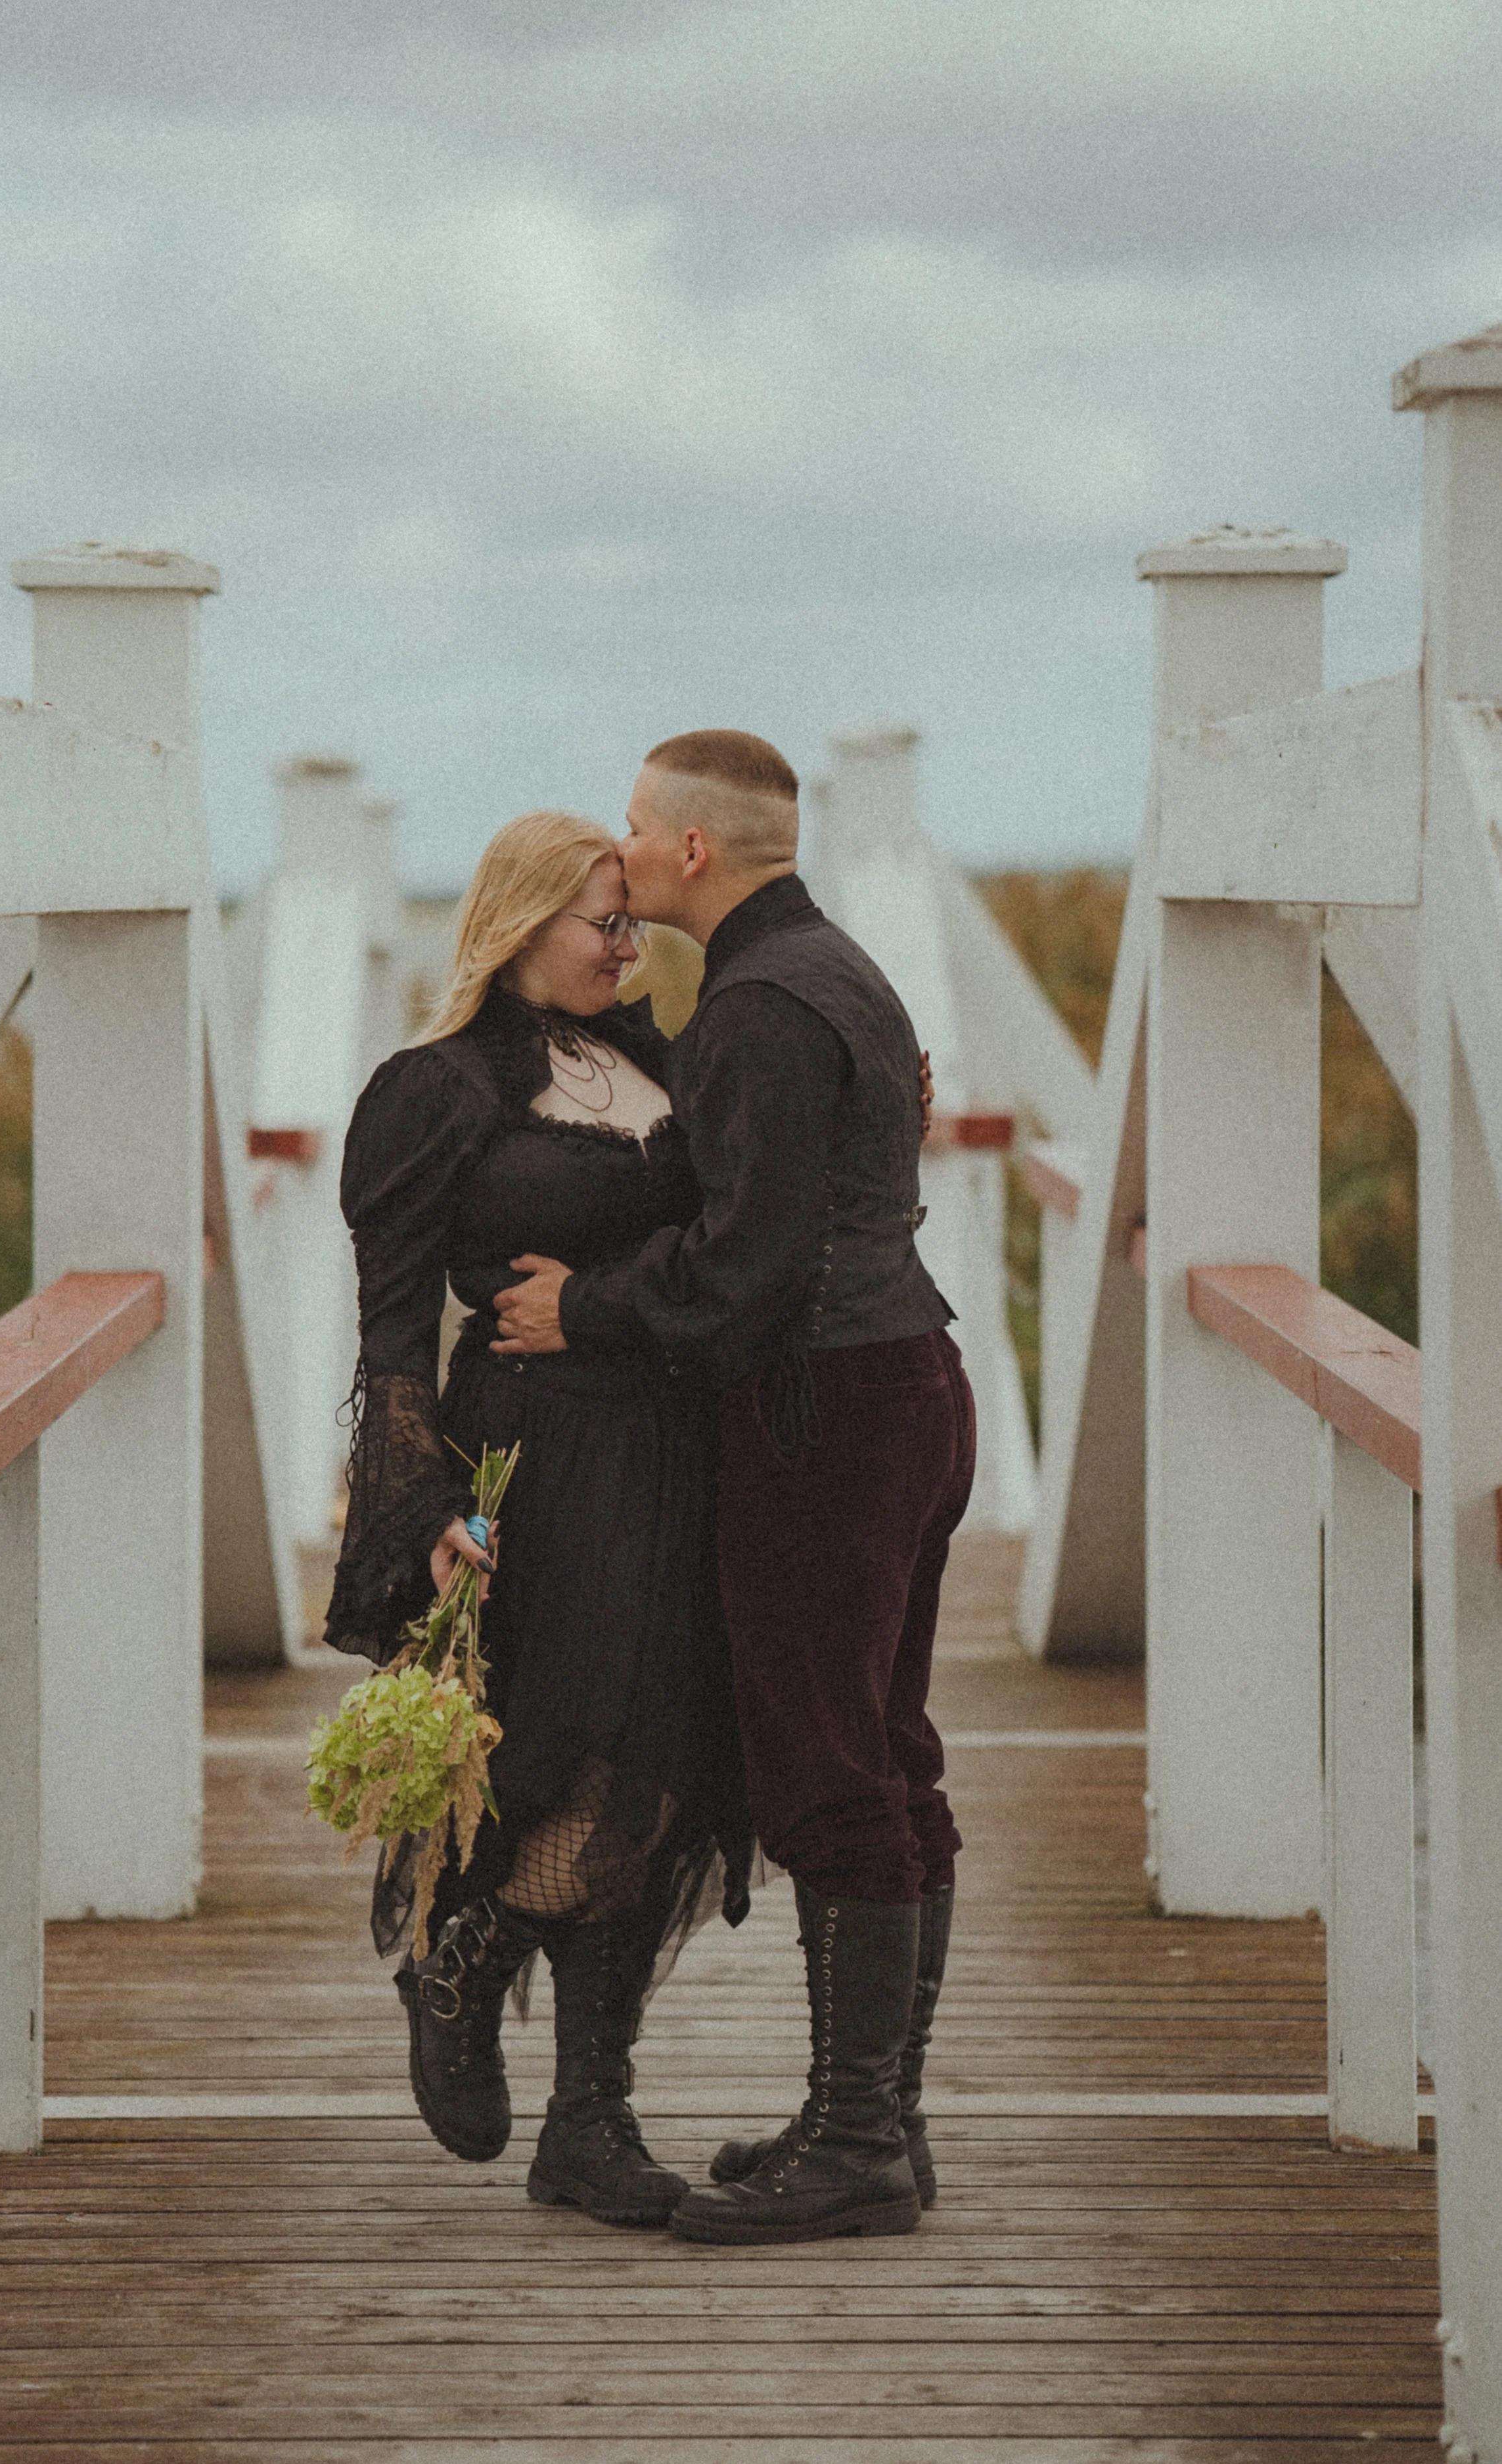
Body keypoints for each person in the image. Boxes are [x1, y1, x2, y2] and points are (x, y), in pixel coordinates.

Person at [492, 731, 977, 2247]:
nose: (622, 856)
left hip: (818, 1409)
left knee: (832, 1770)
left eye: (636, 830)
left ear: (693, 851)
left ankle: (857, 2147)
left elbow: (743, 1269)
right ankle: (873, 2116)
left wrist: (585, 1310)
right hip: (901, 1382)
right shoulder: (839, 970)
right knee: (887, 1753)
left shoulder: (761, 1006)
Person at [325, 808, 752, 2229]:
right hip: (537, 1464)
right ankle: (461, 1956)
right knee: (568, 1753)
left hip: (675, 1449)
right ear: (519, 924)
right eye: (603, 922)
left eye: (634, 922)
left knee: (665, 1766)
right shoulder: (434, 1088)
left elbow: (734, 1231)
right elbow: (392, 1333)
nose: (629, 946)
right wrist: (423, 1502)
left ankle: (586, 2118)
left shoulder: (658, 1065)